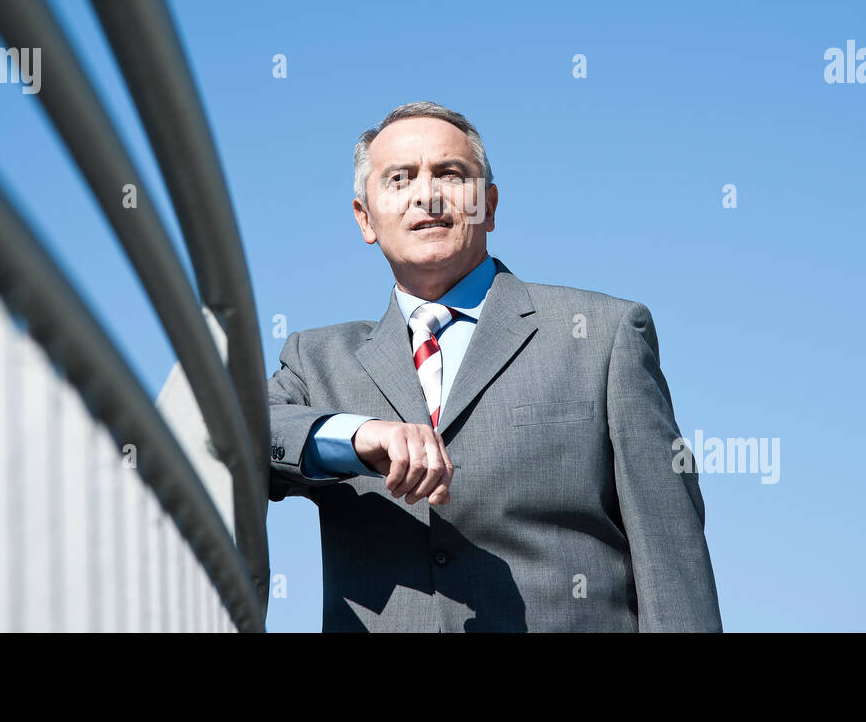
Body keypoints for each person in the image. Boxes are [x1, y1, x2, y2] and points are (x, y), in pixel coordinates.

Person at [267, 100, 722, 632]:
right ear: (365, 218)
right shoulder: (316, 359)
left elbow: (670, 554)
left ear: (490, 204)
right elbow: (234, 430)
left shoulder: (603, 334)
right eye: (399, 178)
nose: (427, 194)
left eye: (450, 174)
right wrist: (357, 436)